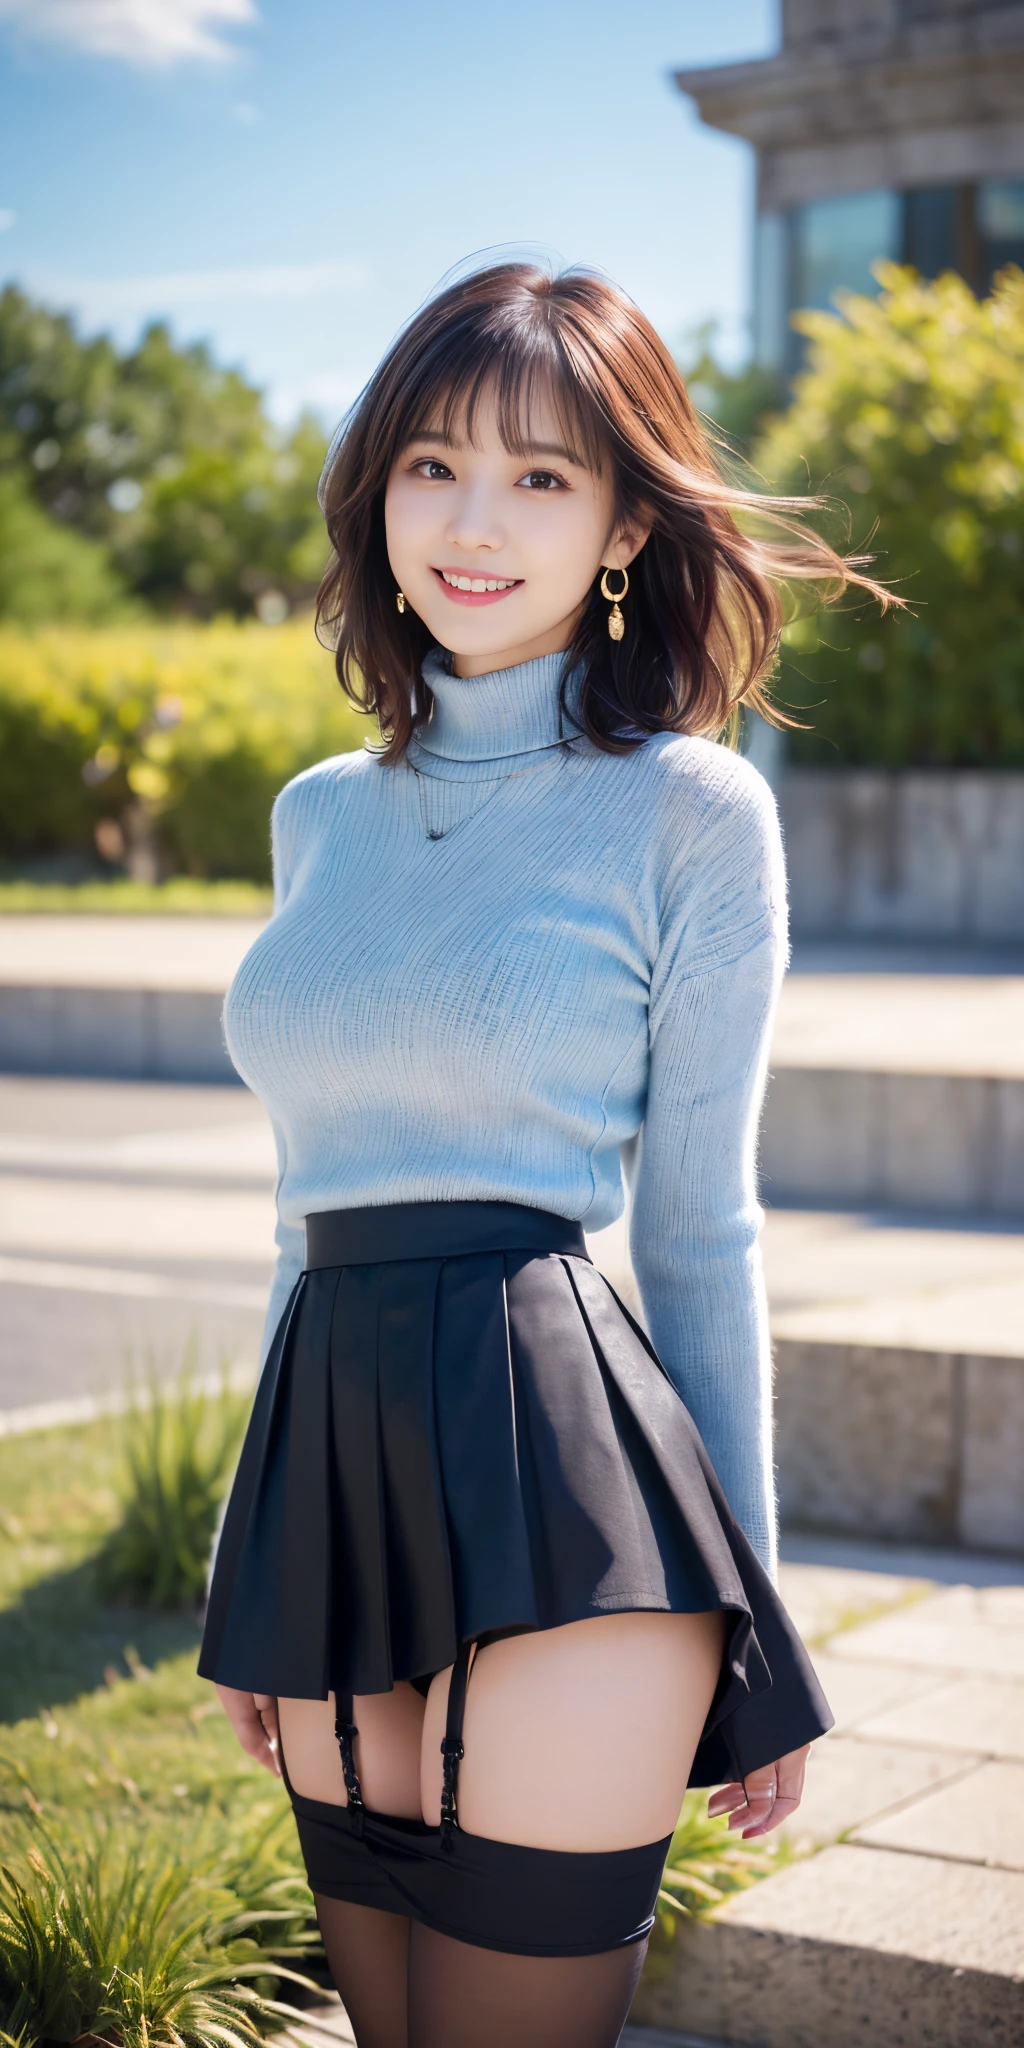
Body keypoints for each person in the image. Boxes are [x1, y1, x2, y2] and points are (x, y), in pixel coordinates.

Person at [200, 260, 888, 2048]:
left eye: (539, 475)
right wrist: (247, 1548)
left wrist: (759, 1603)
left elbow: (700, 1234)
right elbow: (302, 1213)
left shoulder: (689, 806)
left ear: (622, 526)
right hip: (332, 1466)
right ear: (378, 495)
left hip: (568, 1478)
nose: (474, 522)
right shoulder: (318, 817)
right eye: (432, 466)